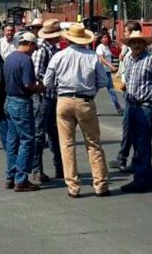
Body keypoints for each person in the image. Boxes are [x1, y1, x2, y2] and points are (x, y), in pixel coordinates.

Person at [43, 24, 110, 198]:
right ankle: (100, 184)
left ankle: (72, 186)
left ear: (67, 38)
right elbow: (103, 81)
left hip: (64, 99)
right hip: (85, 100)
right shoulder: (92, 57)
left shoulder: (59, 56)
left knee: (67, 144)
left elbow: (47, 82)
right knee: (93, 143)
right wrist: (91, 88)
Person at [120, 31, 152, 193]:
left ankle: (140, 180)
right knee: (137, 141)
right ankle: (147, 178)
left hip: (146, 106)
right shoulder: (129, 61)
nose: (136, 45)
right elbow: (127, 82)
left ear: (145, 44)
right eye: (133, 42)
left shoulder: (151, 60)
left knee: (142, 143)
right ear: (129, 44)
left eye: (140, 42)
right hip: (132, 105)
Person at [3, 33, 45, 192]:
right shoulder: (26, 60)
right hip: (21, 102)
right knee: (27, 140)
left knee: (12, 141)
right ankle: (21, 179)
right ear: (30, 44)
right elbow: (28, 84)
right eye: (34, 47)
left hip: (10, 100)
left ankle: (10, 176)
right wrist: (41, 88)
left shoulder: (9, 57)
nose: (34, 51)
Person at [31, 19, 64, 183]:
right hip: (43, 97)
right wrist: (52, 82)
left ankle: (60, 167)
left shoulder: (52, 49)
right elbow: (38, 74)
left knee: (54, 133)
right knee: (40, 133)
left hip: (51, 96)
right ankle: (37, 169)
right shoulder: (42, 50)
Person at [109, 21, 143, 171]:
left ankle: (125, 159)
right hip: (129, 93)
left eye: (127, 32)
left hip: (134, 96)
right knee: (130, 128)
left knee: (130, 129)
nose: (124, 35)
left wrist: (126, 86)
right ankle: (125, 158)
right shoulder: (129, 53)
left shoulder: (136, 54)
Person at [96, 32, 123, 114]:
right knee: (95, 91)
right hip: (101, 71)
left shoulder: (107, 47)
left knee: (111, 90)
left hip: (107, 72)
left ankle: (118, 108)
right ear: (100, 39)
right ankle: (90, 108)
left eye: (107, 37)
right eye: (104, 37)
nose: (106, 39)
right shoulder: (100, 47)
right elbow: (102, 59)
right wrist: (111, 66)